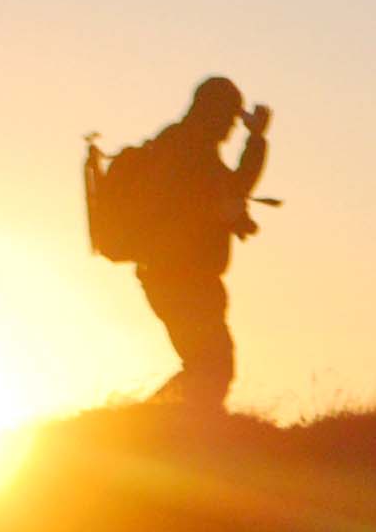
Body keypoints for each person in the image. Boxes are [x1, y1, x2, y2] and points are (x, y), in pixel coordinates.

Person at [97, 76, 273, 409]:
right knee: (212, 366)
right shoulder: (183, 148)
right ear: (212, 111)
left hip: (187, 276)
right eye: (229, 118)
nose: (230, 128)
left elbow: (233, 189)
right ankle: (150, 427)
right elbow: (179, 205)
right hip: (177, 276)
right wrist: (221, 213)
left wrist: (256, 140)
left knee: (209, 366)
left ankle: (157, 425)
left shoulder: (195, 148)